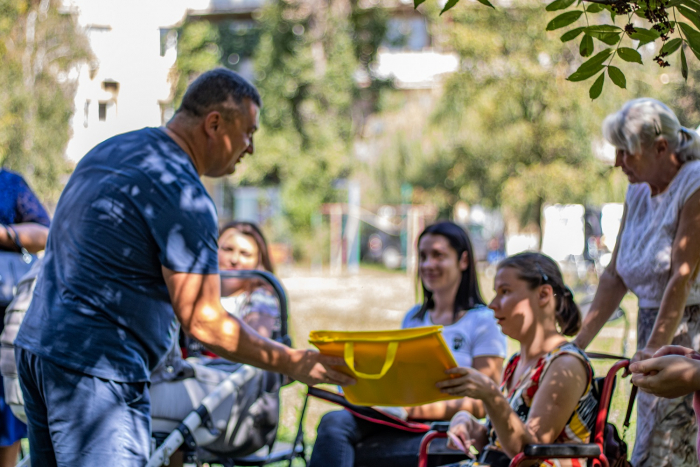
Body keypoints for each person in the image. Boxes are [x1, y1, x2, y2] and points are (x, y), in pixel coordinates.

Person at [13, 68, 353, 467]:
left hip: (38, 349)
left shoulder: (112, 150)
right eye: (249, 132)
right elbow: (204, 320)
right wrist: (294, 361)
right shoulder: (182, 191)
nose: (251, 148)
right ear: (214, 124)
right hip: (98, 370)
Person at [309, 221, 507, 467]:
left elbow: (483, 401)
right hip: (394, 420)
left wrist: (410, 409)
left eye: (438, 255)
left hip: (443, 431)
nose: (427, 265)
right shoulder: (414, 317)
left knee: (349, 453)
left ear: (463, 261)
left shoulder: (483, 322)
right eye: (422, 256)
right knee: (333, 423)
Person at [572, 98, 700, 467]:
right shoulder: (639, 187)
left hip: (685, 334)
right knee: (649, 443)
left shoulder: (694, 183)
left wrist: (656, 350)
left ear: (662, 148)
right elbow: (615, 275)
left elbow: (682, 274)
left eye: (626, 152)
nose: (617, 162)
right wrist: (576, 346)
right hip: (654, 332)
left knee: (669, 449)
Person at [437, 252, 594, 467]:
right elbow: (501, 441)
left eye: (505, 292)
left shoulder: (565, 364)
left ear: (543, 295)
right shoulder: (516, 363)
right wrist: (468, 423)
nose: (492, 304)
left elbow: (528, 455)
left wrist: (491, 395)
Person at [151, 220, 284, 465]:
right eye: (228, 249)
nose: (234, 259)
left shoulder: (260, 298)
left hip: (237, 403)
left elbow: (256, 345)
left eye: (245, 254)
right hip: (195, 387)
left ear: (258, 262)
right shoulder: (194, 293)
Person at [0, 169, 50, 467]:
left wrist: (5, 234)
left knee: (4, 415)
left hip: (3, 318)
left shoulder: (8, 183)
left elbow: (46, 233)